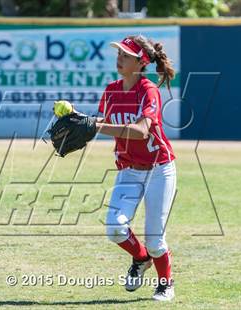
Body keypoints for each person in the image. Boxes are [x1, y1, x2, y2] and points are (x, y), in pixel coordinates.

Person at [95, 35, 177, 301]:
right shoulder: (111, 89)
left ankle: (166, 283)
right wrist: (79, 122)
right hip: (128, 169)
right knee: (115, 228)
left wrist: (96, 126)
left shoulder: (147, 89)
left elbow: (141, 132)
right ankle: (140, 259)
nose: (119, 58)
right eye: (118, 53)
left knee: (155, 240)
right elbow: (101, 120)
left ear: (141, 62)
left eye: (126, 55)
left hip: (158, 169)